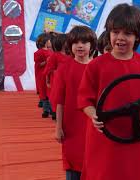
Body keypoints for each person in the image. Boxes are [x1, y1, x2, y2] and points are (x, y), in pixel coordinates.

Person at [77, 4, 140, 180]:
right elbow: (84, 100)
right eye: (115, 32)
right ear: (109, 33)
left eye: (127, 33)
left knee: (136, 173)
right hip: (105, 136)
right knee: (104, 173)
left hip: (137, 136)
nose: (120, 38)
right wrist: (93, 116)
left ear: (137, 37)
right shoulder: (96, 66)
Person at [53, 25, 97, 180]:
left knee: (95, 162)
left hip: (94, 125)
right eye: (75, 42)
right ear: (70, 46)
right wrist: (58, 127)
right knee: (73, 164)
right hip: (71, 126)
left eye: (84, 42)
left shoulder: (98, 67)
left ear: (92, 45)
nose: (80, 46)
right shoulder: (64, 69)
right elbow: (60, 101)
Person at [44, 33, 70, 119]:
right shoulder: (54, 55)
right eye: (65, 41)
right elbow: (48, 70)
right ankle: (55, 112)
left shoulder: (71, 55)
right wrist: (47, 81)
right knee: (57, 96)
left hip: (69, 81)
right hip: (56, 81)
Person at [34, 33, 52, 116]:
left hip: (50, 74)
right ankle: (46, 110)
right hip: (42, 75)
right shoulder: (38, 52)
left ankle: (52, 110)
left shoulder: (51, 51)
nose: (50, 42)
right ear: (45, 42)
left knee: (50, 92)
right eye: (49, 40)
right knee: (44, 92)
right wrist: (46, 62)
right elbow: (38, 64)